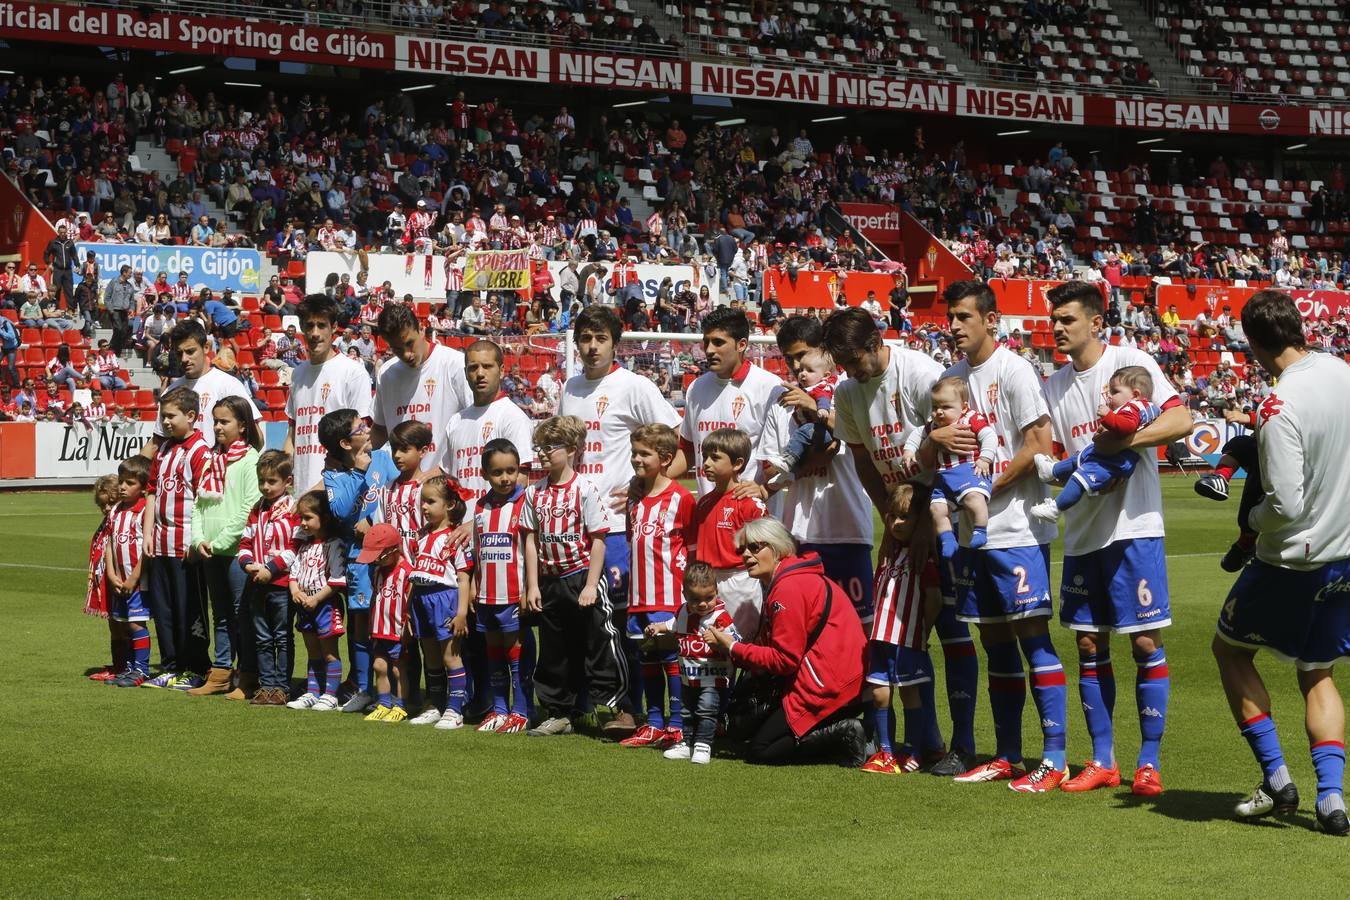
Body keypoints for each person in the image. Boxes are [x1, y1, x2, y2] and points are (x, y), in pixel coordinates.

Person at [1042, 280, 1191, 796]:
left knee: (1146, 641)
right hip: (1084, 533)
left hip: (1134, 528)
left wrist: (1122, 440)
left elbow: (1181, 419)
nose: (1058, 328)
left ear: (1095, 322)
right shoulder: (1053, 384)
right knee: (1088, 643)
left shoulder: (1131, 360)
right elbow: (1059, 456)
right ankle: (1102, 760)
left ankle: (1148, 763)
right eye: (1054, 320)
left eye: (1067, 319)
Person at [1211, 290, 1350, 836]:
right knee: (1317, 670)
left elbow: (1285, 504)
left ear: (1251, 345)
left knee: (1230, 651)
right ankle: (1333, 799)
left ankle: (1276, 777)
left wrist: (1252, 525)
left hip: (1292, 560)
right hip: (1346, 554)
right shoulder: (1342, 372)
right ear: (1300, 327)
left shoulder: (1278, 404)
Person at [923, 281, 1068, 791]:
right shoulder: (951, 380)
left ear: (990, 319)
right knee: (994, 640)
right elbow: (940, 455)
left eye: (964, 316)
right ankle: (1008, 755)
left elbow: (1038, 443)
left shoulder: (1014, 369)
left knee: (1032, 638)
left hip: (1016, 529)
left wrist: (984, 486)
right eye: (951, 317)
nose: (956, 326)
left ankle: (1054, 756)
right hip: (970, 535)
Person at [824, 307, 979, 776]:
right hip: (902, 521)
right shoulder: (848, 392)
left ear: (875, 343)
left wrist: (926, 523)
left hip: (944, 516)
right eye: (842, 363)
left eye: (854, 359)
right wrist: (892, 518)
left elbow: (947, 442)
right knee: (903, 636)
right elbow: (865, 463)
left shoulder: (919, 373)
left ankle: (964, 742)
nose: (850, 371)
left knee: (951, 628)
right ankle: (924, 741)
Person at [558, 305, 681, 737]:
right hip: (570, 526)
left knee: (620, 619)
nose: (592, 347)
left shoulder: (634, 386)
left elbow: (677, 449)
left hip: (613, 526)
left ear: (615, 343)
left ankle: (632, 709)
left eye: (600, 339)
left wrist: (642, 484)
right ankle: (581, 704)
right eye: (585, 338)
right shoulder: (569, 388)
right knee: (578, 622)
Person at [702, 517, 869, 766]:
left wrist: (732, 647)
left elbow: (785, 660)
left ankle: (846, 732)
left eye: (755, 548)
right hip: (839, 679)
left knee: (762, 749)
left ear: (778, 548)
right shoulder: (788, 579)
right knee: (747, 735)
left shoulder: (788, 587)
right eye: (742, 550)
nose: (746, 555)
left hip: (830, 685)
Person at [524, 416, 622, 737]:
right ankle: (558, 713)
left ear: (571, 450)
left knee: (598, 644)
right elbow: (530, 539)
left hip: (581, 577)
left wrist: (592, 584)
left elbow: (598, 539)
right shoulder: (534, 493)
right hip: (550, 581)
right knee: (554, 650)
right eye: (540, 447)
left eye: (549, 448)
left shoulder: (584, 489)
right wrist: (533, 584)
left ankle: (612, 707)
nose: (542, 453)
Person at [620, 424, 697, 750]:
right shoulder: (635, 499)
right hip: (638, 596)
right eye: (634, 452)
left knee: (670, 658)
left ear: (665, 458)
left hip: (668, 594)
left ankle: (677, 724)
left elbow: (692, 548)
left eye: (644, 453)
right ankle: (653, 722)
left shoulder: (681, 498)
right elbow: (631, 541)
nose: (636, 458)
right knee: (647, 658)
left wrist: (688, 594)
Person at [862, 483, 944, 774]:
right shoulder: (887, 555)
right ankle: (885, 752)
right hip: (880, 639)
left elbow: (933, 598)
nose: (897, 523)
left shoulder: (922, 556)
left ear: (919, 520)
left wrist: (923, 629)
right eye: (892, 516)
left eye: (905, 517)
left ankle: (912, 751)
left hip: (907, 639)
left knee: (910, 694)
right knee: (880, 694)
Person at [185, 396, 263, 698]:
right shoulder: (210, 460)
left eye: (224, 421)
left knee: (241, 615)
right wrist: (198, 539)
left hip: (236, 552)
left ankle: (247, 677)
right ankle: (220, 673)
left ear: (242, 426)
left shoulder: (249, 460)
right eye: (215, 421)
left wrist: (220, 542)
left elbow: (247, 508)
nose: (217, 426)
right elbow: (198, 505)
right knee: (220, 614)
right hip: (211, 550)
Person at [141, 386, 213, 690]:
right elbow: (152, 492)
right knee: (164, 610)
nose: (166, 422)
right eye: (163, 416)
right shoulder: (165, 449)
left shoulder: (200, 451)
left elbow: (205, 500)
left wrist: (198, 540)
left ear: (192, 416)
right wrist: (147, 532)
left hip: (186, 546)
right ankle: (170, 665)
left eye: (171, 416)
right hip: (160, 544)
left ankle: (196, 666)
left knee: (190, 610)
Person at [1031, 366, 1162, 522]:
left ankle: (1055, 508)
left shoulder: (1133, 406)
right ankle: (1052, 470)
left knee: (1079, 478)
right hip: (1112, 455)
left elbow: (1127, 426)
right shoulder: (1145, 407)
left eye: (1115, 392)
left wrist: (1108, 416)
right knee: (1079, 458)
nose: (1109, 397)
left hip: (1116, 459)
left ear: (1135, 394)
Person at [678, 307, 784, 498]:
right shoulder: (696, 388)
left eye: (718, 342)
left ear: (741, 344)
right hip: (708, 514)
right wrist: (648, 481)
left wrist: (763, 490)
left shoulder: (770, 387)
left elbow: (783, 459)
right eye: (706, 342)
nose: (709, 350)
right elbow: (687, 452)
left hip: (752, 519)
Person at [643, 562, 740, 765]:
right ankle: (686, 743)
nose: (703, 604)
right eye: (696, 599)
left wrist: (719, 640)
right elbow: (671, 625)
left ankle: (703, 744)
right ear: (685, 594)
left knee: (706, 709)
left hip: (714, 677)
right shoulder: (683, 612)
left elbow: (736, 642)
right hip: (689, 676)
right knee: (686, 710)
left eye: (709, 598)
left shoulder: (721, 617)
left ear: (716, 591)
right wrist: (656, 627)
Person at [472, 438, 537, 734]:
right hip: (487, 595)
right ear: (485, 474)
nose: (505, 478)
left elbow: (529, 548)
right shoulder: (480, 506)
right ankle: (499, 709)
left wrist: (528, 588)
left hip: (514, 593)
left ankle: (522, 710)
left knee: (516, 652)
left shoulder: (526, 501)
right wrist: (474, 583)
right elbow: (477, 548)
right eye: (498, 472)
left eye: (511, 471)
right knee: (493, 652)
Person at [284, 295, 374, 495]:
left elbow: (363, 440)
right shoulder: (298, 374)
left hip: (339, 491)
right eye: (309, 325)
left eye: (321, 325)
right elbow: (291, 435)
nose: (315, 333)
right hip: (302, 492)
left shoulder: (353, 372)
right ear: (301, 328)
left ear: (334, 327)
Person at [404, 475, 473, 729]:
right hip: (422, 600)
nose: (424, 507)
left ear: (450, 505)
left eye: (430, 501)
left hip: (445, 600)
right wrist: (409, 608)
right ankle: (435, 704)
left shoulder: (455, 537)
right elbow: (416, 575)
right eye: (422, 501)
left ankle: (454, 711)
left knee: (450, 657)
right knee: (430, 657)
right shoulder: (420, 536)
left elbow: (463, 579)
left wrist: (462, 612)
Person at [902, 376, 999, 552]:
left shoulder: (970, 418)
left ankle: (980, 531)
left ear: (964, 407)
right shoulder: (933, 426)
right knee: (937, 509)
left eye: (946, 407)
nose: (939, 412)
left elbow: (989, 436)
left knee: (974, 500)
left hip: (968, 470)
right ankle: (947, 539)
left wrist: (985, 458)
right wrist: (909, 450)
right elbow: (917, 434)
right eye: (935, 407)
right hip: (943, 476)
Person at [371, 303, 471, 472]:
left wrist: (442, 470)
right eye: (397, 349)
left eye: (409, 343)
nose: (406, 354)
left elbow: (473, 424)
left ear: (422, 329)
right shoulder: (386, 374)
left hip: (444, 486)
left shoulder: (454, 364)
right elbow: (380, 430)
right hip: (402, 489)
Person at [140, 320, 261, 456]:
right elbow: (157, 442)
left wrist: (224, 465)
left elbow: (257, 439)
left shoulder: (228, 385)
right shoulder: (171, 391)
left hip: (218, 473)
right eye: (179, 353)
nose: (184, 359)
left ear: (206, 347)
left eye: (190, 351)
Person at [444, 340, 536, 516]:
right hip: (459, 532)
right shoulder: (455, 421)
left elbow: (520, 483)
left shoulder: (513, 417)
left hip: (496, 531)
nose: (480, 373)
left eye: (487, 366)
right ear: (465, 373)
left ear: (501, 371)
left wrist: (479, 521)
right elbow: (451, 479)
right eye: (473, 368)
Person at [692, 428, 767, 638]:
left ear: (737, 464)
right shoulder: (704, 503)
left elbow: (767, 548)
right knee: (710, 645)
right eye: (705, 456)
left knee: (742, 642)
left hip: (740, 581)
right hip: (708, 583)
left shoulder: (750, 503)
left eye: (715, 458)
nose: (706, 463)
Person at [237, 450, 297, 706]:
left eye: (272, 481)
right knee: (262, 638)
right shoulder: (257, 508)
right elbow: (246, 541)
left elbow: (295, 546)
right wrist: (248, 564)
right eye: (262, 481)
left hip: (281, 584)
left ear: (288, 481)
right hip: (256, 583)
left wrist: (271, 568)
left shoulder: (293, 508)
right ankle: (266, 686)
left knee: (282, 637)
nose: (265, 487)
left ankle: (282, 687)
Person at [285, 491, 348, 712]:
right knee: (312, 651)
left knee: (329, 651)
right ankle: (312, 692)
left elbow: (337, 579)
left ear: (324, 518)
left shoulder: (334, 544)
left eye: (308, 517)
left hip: (325, 605)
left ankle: (330, 694)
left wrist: (316, 598)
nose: (302, 523)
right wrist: (295, 591)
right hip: (305, 605)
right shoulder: (304, 545)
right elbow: (294, 572)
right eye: (301, 518)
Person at [357, 522, 414, 722]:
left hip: (397, 631)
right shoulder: (377, 572)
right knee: (379, 667)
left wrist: (408, 627)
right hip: (379, 630)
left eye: (378, 556)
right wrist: (370, 625)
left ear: (393, 549)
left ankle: (400, 705)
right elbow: (376, 599)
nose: (376, 562)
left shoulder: (407, 572)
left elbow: (410, 603)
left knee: (399, 669)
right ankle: (383, 704)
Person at [105, 458, 153, 687]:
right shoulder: (115, 510)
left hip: (138, 581)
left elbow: (148, 548)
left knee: (136, 624)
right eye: (121, 482)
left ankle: (142, 670)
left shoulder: (144, 510)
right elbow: (109, 544)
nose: (122, 487)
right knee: (124, 623)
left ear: (143, 487)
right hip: (119, 580)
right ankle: (130, 668)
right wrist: (112, 574)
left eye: (130, 483)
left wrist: (134, 577)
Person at [763, 344, 836, 479]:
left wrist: (819, 409)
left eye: (809, 369)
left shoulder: (827, 387)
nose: (800, 370)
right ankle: (787, 474)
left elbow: (824, 399)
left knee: (803, 432)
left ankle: (788, 460)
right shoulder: (786, 397)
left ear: (825, 374)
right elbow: (767, 471)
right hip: (799, 496)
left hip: (821, 434)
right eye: (789, 359)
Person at [84, 474, 120, 680]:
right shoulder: (108, 521)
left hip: (120, 579)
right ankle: (119, 663)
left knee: (123, 623)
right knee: (114, 623)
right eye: (103, 506)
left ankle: (127, 665)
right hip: (107, 579)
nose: (107, 509)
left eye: (111, 504)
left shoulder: (122, 520)